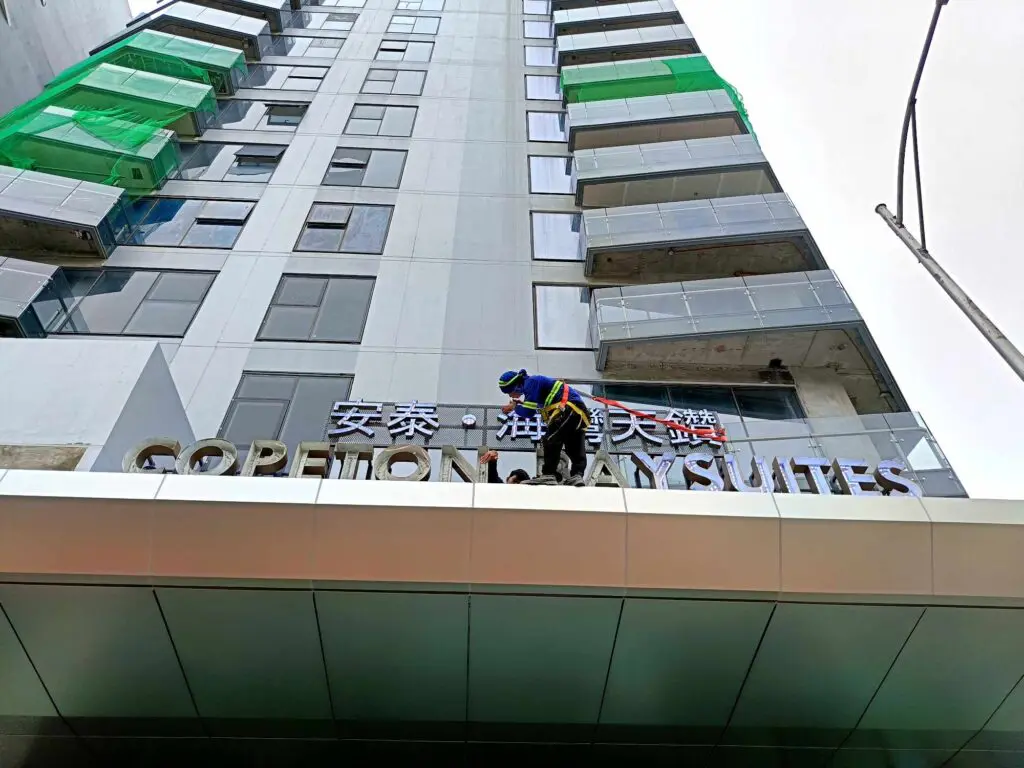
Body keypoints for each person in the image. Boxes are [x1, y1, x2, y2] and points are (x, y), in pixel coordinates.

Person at [497, 369, 589, 486]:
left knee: (550, 439)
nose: (510, 395)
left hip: (567, 409)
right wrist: (520, 405)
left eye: (509, 392)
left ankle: (548, 475)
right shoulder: (534, 385)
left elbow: (528, 413)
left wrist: (515, 407)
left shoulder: (530, 383)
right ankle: (577, 475)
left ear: (515, 385)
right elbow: (534, 406)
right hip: (578, 412)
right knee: (573, 445)